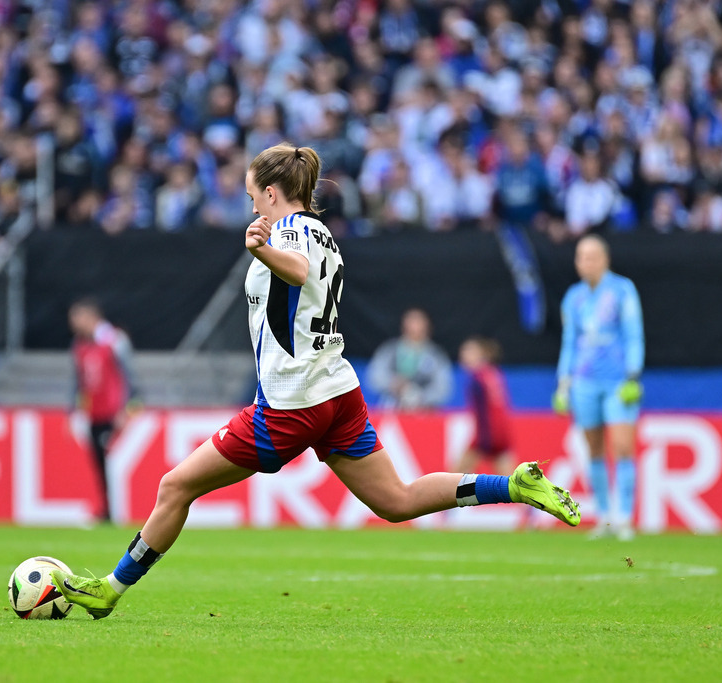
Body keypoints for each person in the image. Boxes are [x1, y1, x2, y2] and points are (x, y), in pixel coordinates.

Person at [50, 143, 580, 619]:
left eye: (254, 195)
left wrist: (261, 250)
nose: (251, 205)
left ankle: (110, 589)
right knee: (396, 500)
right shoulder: (321, 231)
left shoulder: (289, 231)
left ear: (274, 192)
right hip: (336, 391)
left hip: (290, 403)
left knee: (174, 486)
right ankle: (514, 485)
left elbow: (298, 271)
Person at [552, 235, 644, 541]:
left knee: (622, 447)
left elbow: (633, 334)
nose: (585, 262)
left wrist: (633, 373)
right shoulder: (573, 297)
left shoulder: (622, 290)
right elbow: (569, 342)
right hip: (584, 382)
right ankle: (604, 516)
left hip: (618, 381)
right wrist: (564, 381)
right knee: (593, 449)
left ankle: (625, 517)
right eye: (580, 256)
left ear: (605, 259)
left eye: (591, 256)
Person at [69, 298, 136, 522]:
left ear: (91, 317)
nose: (75, 324)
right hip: (93, 414)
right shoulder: (80, 345)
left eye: (78, 318)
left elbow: (128, 376)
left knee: (110, 461)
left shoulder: (114, 341)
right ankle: (106, 510)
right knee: (99, 463)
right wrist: (76, 408)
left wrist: (125, 409)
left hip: (111, 413)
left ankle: (115, 511)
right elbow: (80, 381)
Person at [367, 308, 452, 409]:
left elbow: (443, 388)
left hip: (425, 411)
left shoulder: (436, 355)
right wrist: (394, 383)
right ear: (403, 327)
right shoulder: (389, 350)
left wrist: (420, 397)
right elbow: (374, 377)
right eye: (411, 323)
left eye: (419, 323)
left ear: (427, 328)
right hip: (392, 408)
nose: (415, 327)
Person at [456, 336, 514, 477]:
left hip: (486, 435)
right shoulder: (494, 373)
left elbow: (484, 412)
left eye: (468, 351)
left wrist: (483, 442)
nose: (462, 355)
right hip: (502, 435)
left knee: (454, 475)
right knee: (511, 483)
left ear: (479, 355)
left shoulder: (477, 378)